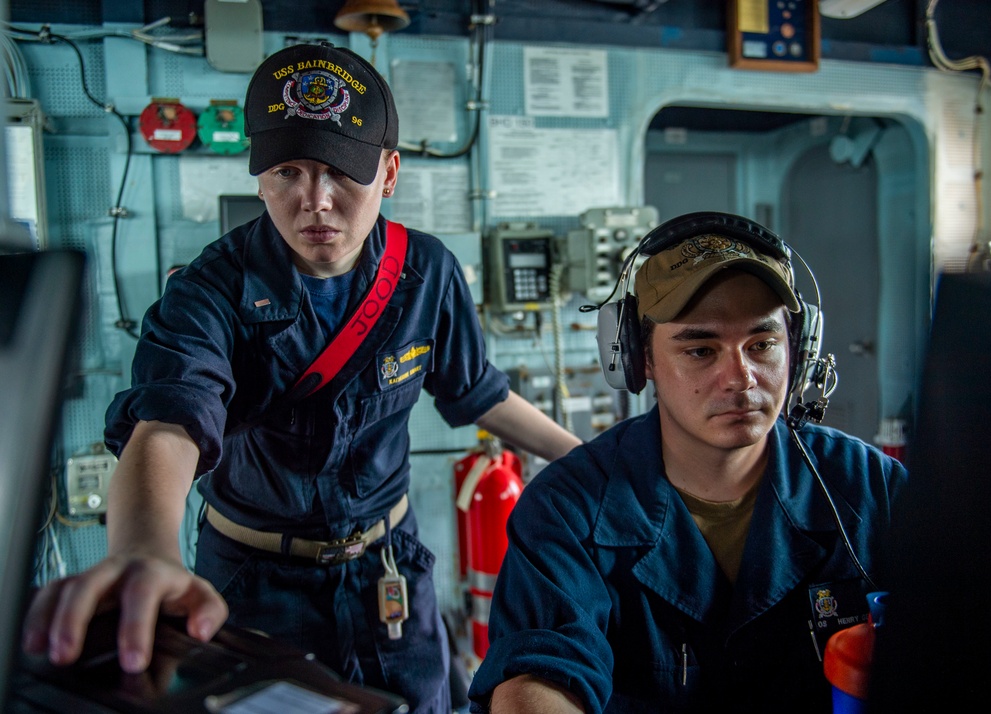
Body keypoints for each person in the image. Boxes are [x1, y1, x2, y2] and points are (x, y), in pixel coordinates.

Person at [22, 42, 580, 714]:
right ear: (259, 177)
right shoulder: (208, 292)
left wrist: (588, 462)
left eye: (341, 172)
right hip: (252, 584)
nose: (315, 201)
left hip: (389, 569)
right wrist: (145, 549)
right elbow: (170, 422)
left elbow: (480, 393)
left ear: (390, 171)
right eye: (287, 171)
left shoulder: (425, 273)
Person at [467, 212, 908, 713]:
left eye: (762, 345)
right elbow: (538, 677)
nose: (741, 378)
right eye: (701, 350)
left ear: (800, 349)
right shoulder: (567, 509)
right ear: (639, 359)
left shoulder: (873, 489)